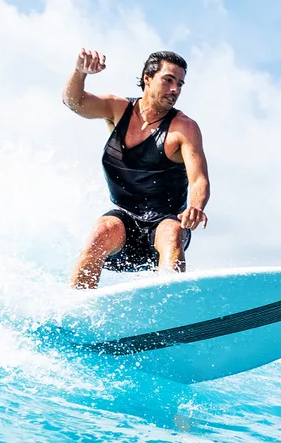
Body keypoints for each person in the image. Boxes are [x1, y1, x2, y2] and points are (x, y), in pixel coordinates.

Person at [63, 48, 210, 289]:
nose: (175, 90)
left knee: (172, 233)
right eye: (168, 80)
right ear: (147, 78)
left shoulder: (184, 128)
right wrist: (80, 72)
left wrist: (196, 206)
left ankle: (172, 311)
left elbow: (199, 179)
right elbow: (74, 102)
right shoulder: (117, 110)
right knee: (101, 231)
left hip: (165, 222)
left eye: (180, 84)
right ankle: (77, 306)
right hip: (125, 225)